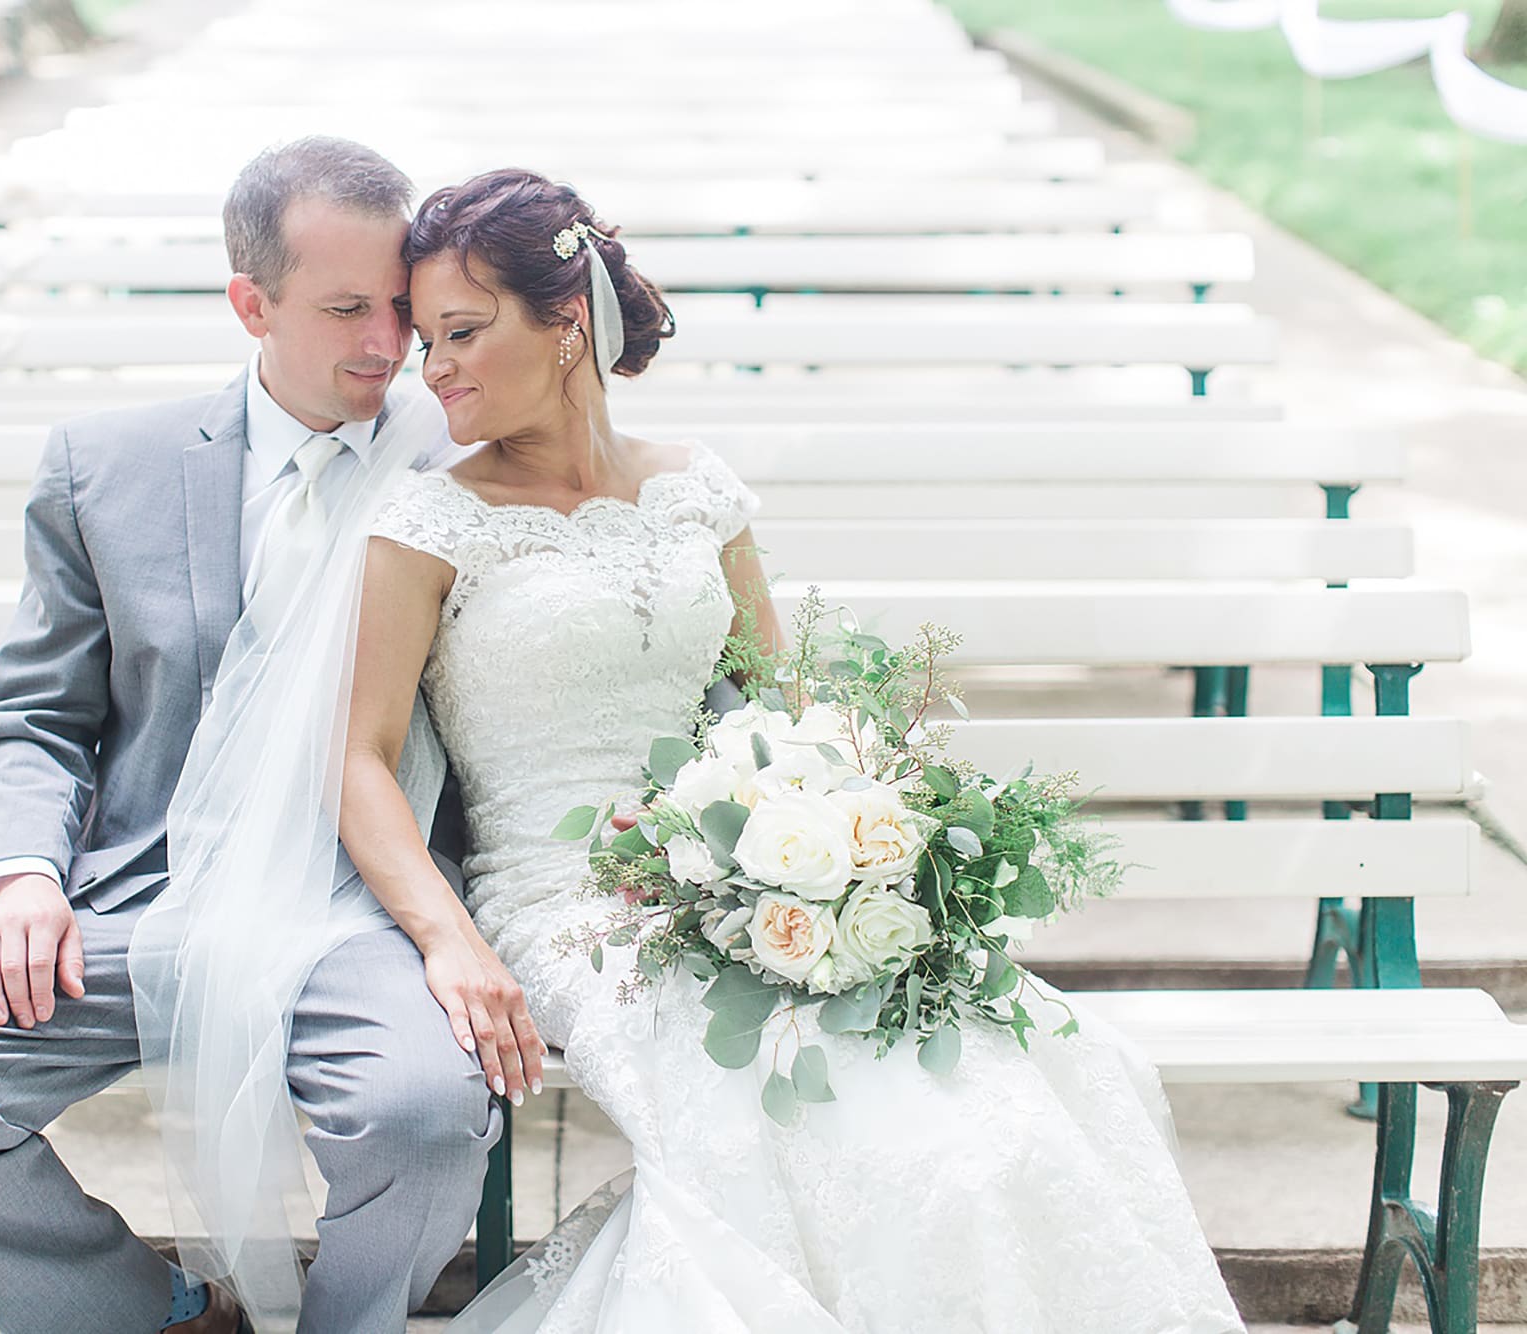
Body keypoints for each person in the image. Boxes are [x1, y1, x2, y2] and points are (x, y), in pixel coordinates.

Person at [334, 168, 1249, 1332]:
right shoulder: (426, 520)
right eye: (424, 340)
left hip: (754, 871)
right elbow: (358, 758)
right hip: (571, 907)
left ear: (565, 324)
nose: (434, 368)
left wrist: (853, 852)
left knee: (1012, 1104)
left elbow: (791, 708)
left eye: (461, 332)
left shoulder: (693, 490)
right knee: (839, 1136)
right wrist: (447, 938)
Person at [0, 138, 500, 1334]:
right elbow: (35, 714)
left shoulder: (471, 468)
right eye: (345, 308)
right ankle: (158, 1318)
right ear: (251, 301)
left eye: (401, 307)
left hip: (362, 905)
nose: (388, 346)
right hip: (136, 896)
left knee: (425, 1113)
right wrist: (24, 873)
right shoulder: (105, 466)